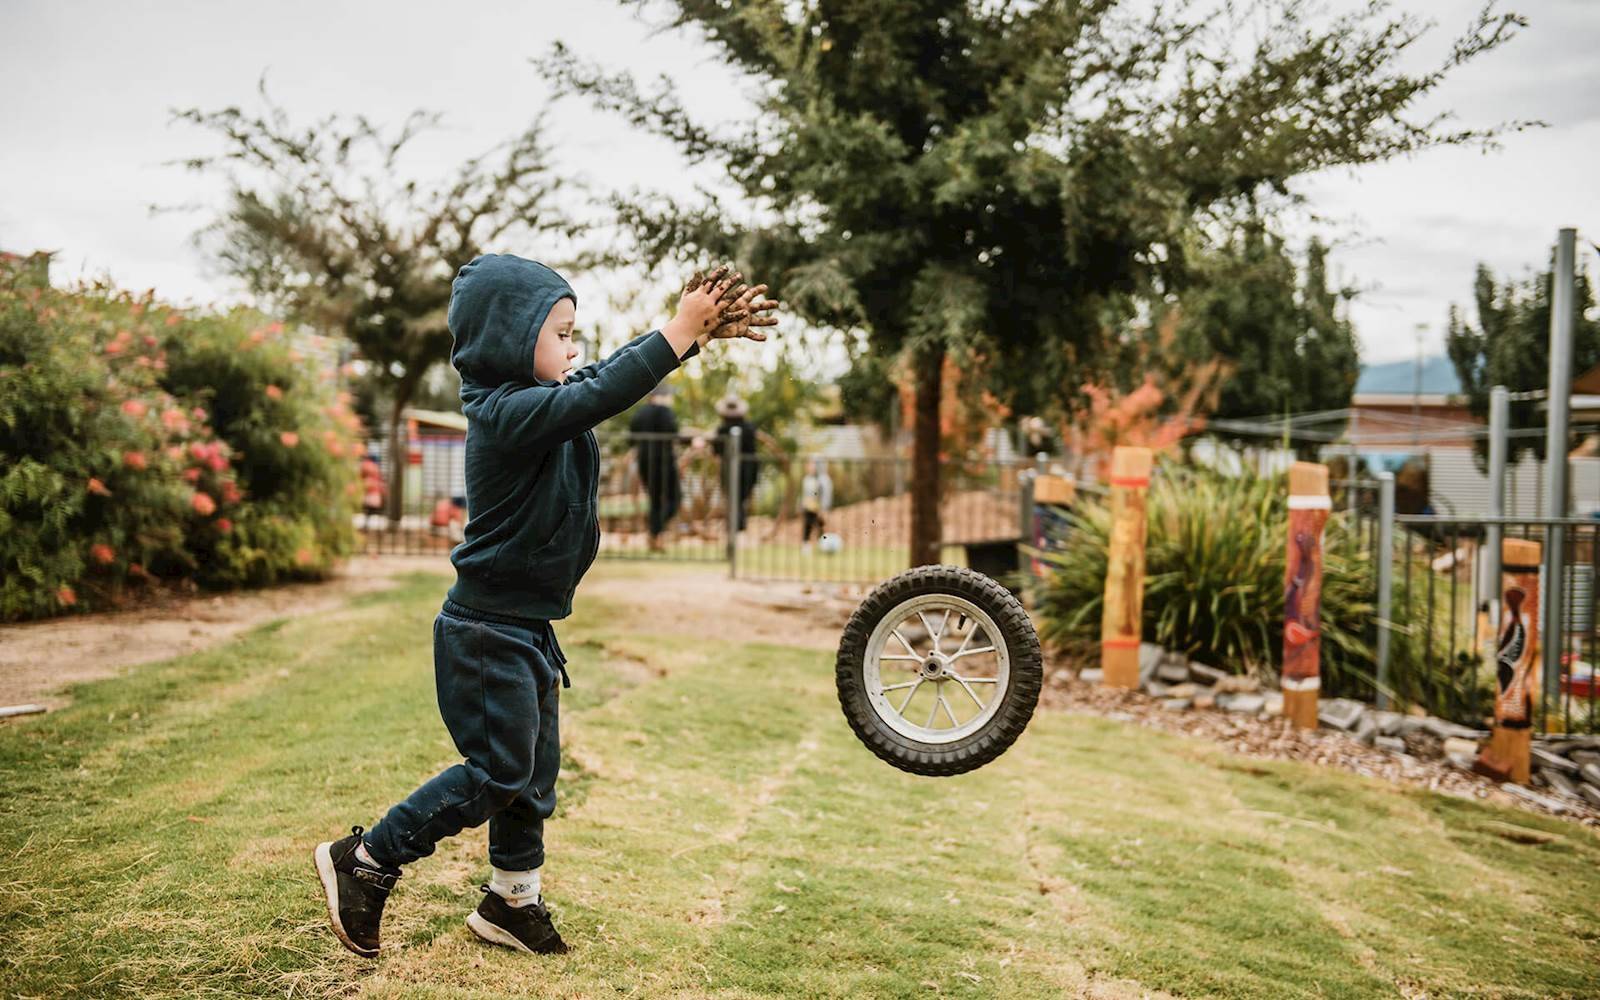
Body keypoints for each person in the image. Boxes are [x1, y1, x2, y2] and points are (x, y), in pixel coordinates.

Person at [313, 255, 777, 959]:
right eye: (561, 332)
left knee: (531, 777)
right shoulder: (503, 414)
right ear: (508, 335)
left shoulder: (542, 399)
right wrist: (676, 331)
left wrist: (690, 337)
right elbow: (595, 396)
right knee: (498, 772)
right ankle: (369, 857)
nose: (574, 348)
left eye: (575, 333)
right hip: (485, 630)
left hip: (525, 627)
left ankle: (511, 902)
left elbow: (596, 381)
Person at [628, 383, 681, 552]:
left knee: (655, 501)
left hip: (645, 462)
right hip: (664, 462)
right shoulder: (665, 412)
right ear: (663, 396)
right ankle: (655, 530)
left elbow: (631, 439)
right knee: (675, 499)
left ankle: (655, 536)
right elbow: (673, 433)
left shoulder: (640, 413)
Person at [715, 394, 759, 533]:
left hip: (732, 468)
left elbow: (717, 451)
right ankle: (738, 525)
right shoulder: (749, 427)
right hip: (748, 468)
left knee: (734, 497)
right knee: (740, 498)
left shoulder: (722, 430)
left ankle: (736, 525)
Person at [800, 457, 833, 555]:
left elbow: (825, 495)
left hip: (818, 509)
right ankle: (806, 546)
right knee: (807, 526)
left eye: (812, 464)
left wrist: (823, 509)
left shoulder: (823, 480)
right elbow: (805, 494)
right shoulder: (807, 479)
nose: (809, 467)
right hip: (808, 508)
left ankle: (824, 546)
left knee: (821, 527)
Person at [359, 451, 386, 530]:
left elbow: (362, 475)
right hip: (373, 490)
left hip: (370, 490)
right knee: (371, 509)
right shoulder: (374, 467)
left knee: (368, 509)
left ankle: (367, 525)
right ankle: (369, 524)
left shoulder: (366, 465)